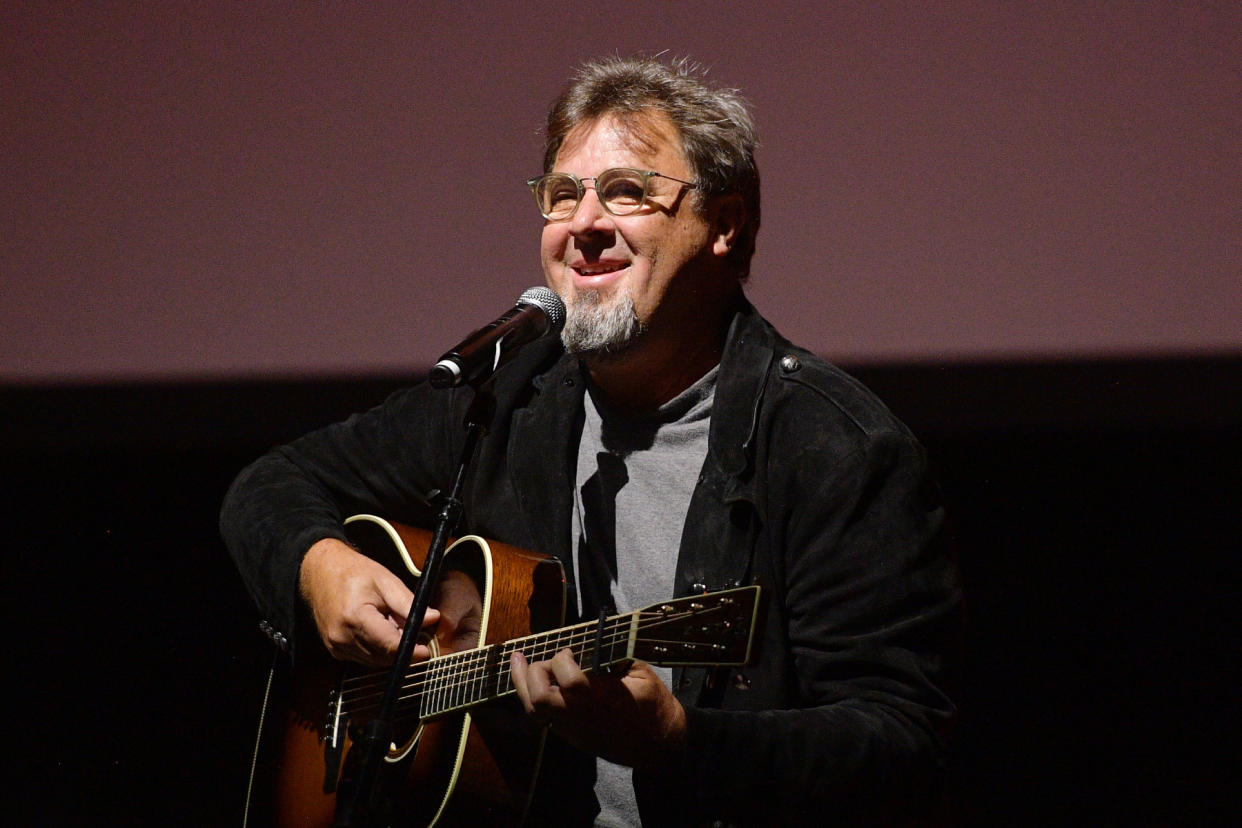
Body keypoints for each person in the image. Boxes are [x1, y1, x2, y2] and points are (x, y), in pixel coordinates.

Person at [221, 55, 961, 826]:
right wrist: (318, 567)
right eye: (563, 195)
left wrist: (681, 738)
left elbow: (902, 747)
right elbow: (269, 484)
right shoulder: (508, 395)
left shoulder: (836, 448)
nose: (583, 224)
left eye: (628, 192)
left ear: (725, 225)